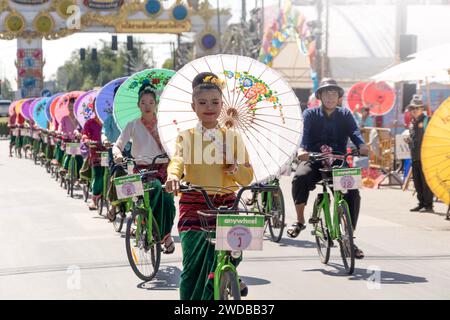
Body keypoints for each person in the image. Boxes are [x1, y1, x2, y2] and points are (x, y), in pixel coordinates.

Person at [165, 72, 254, 300]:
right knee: (193, 268)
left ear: (222, 105)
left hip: (227, 204)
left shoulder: (233, 137)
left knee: (235, 255)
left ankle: (224, 281)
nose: (209, 107)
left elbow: (246, 178)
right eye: (202, 102)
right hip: (195, 206)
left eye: (215, 102)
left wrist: (234, 167)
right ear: (193, 106)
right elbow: (177, 161)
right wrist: (173, 176)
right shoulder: (186, 137)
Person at [288, 78, 369, 259]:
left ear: (339, 97)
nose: (331, 97)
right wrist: (302, 150)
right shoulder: (310, 114)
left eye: (334, 93)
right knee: (300, 177)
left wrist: (362, 145)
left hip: (339, 160)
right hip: (314, 159)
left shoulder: (345, 114)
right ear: (320, 96)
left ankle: (349, 237)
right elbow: (304, 135)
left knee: (353, 192)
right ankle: (300, 220)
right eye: (327, 93)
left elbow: (355, 133)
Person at [111, 82, 176, 254]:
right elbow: (117, 145)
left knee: (169, 201)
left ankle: (165, 234)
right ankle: (142, 220)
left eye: (151, 102)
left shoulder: (164, 124)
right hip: (141, 169)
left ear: (156, 104)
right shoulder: (132, 125)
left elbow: (176, 145)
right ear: (138, 105)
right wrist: (117, 155)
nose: (147, 106)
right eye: (143, 102)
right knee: (153, 189)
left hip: (164, 168)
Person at [407, 95, 434, 213]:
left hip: (426, 156)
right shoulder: (412, 123)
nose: (414, 110)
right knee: (417, 182)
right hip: (415, 156)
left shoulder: (428, 120)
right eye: (412, 108)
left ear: (421, 109)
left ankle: (428, 205)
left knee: (425, 182)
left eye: (417, 108)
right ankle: (421, 202)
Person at [80, 101, 105, 210]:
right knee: (98, 175)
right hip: (96, 153)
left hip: (111, 152)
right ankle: (94, 199)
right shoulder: (89, 123)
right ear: (93, 109)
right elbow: (85, 134)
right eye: (96, 107)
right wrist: (87, 140)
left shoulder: (109, 121)